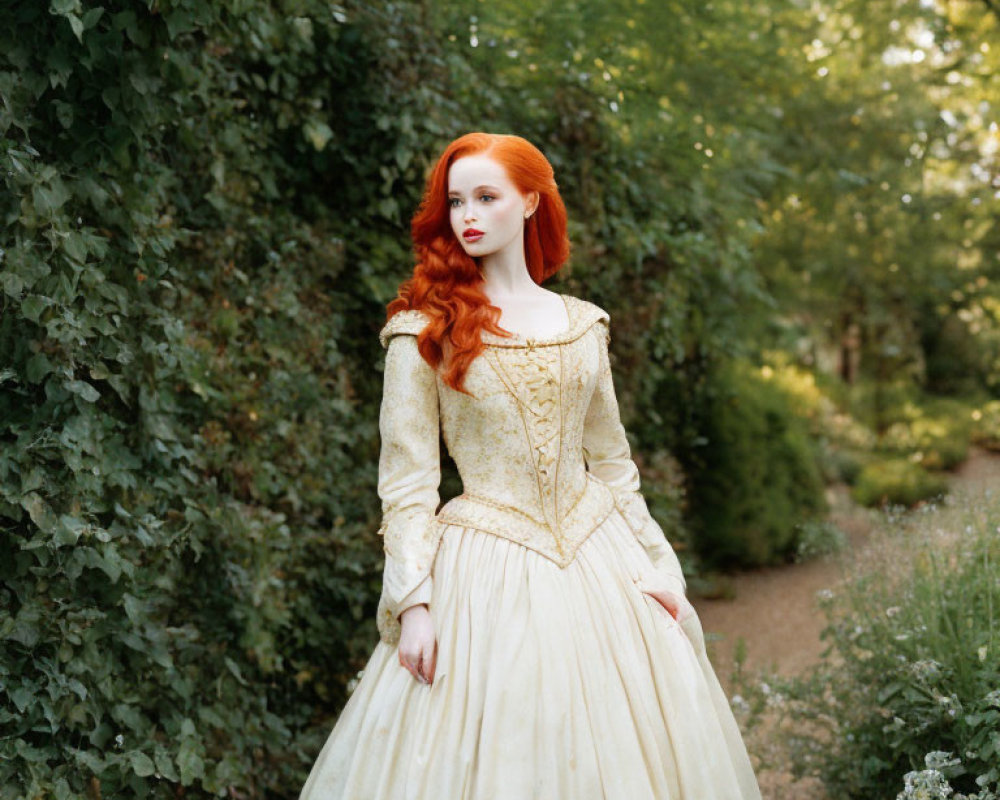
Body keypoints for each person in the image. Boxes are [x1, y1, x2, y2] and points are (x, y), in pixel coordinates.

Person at [299, 132, 761, 799]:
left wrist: (663, 568)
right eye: (456, 200)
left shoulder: (582, 324)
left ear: (530, 201)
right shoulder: (422, 330)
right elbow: (407, 485)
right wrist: (415, 602)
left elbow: (613, 464)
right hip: (483, 574)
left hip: (602, 563)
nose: (468, 215)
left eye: (486, 196)